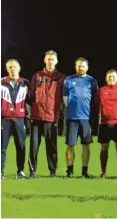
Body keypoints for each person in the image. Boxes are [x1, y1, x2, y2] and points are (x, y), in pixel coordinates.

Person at [28, 50, 66, 178]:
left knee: (51, 146)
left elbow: (64, 97)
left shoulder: (61, 78)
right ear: (44, 60)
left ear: (56, 61)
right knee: (33, 146)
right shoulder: (37, 76)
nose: (50, 61)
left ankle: (52, 171)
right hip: (36, 116)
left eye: (52, 59)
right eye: (48, 59)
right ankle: (32, 171)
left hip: (51, 117)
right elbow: (31, 95)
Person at [63, 57, 98, 178]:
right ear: (75, 66)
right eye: (78, 65)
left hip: (86, 118)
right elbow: (65, 98)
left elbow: (95, 98)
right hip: (72, 118)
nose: (80, 67)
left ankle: (84, 171)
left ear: (87, 67)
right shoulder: (68, 80)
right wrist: (71, 109)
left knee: (86, 145)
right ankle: (70, 171)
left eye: (83, 66)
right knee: (70, 144)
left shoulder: (92, 81)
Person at [95, 69, 117, 178]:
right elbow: (96, 106)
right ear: (106, 78)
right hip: (104, 124)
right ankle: (103, 172)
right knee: (104, 148)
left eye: (113, 77)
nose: (111, 79)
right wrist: (104, 114)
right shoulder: (100, 91)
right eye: (109, 77)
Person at [1, 59, 30, 179]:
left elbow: (30, 101)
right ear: (7, 69)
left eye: (14, 67)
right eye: (10, 67)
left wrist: (30, 115)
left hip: (19, 119)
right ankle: (1, 172)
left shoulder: (26, 83)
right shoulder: (1, 82)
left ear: (19, 68)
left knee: (21, 146)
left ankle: (20, 171)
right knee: (2, 147)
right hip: (4, 119)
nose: (12, 69)